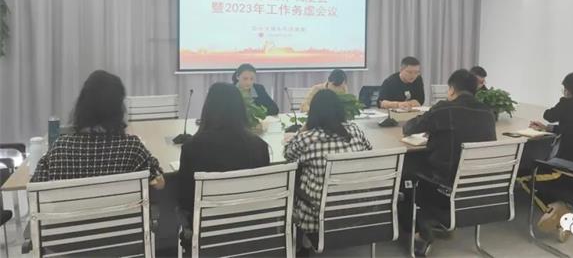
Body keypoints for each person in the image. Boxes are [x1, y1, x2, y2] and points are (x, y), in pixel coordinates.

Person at [401, 69, 496, 256]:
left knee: (406, 173)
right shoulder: (488, 112)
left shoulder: (444, 108)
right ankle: (439, 221)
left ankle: (421, 232)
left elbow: (409, 128)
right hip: (479, 184)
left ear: (451, 89)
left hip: (444, 185)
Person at [31, 70, 164, 190]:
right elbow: (159, 183)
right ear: (118, 109)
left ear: (82, 105)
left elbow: (35, 189)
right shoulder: (132, 148)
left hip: (73, 210)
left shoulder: (59, 149)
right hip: (120, 210)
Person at [517, 72, 573, 242]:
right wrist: (547, 128)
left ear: (567, 90)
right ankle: (559, 205)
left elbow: (548, 115)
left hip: (566, 166)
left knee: (523, 175)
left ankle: (560, 212)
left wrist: (564, 100)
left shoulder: (567, 104)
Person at [283, 90, 372, 246]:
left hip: (318, 215)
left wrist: (303, 129)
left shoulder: (308, 138)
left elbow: (288, 155)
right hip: (357, 210)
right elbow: (369, 151)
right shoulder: (355, 130)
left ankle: (299, 243)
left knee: (295, 177)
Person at [177, 82, 270, 219]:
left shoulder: (191, 147)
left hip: (207, 225)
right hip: (251, 223)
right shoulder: (259, 146)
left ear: (208, 109)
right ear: (240, 109)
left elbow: (185, 199)